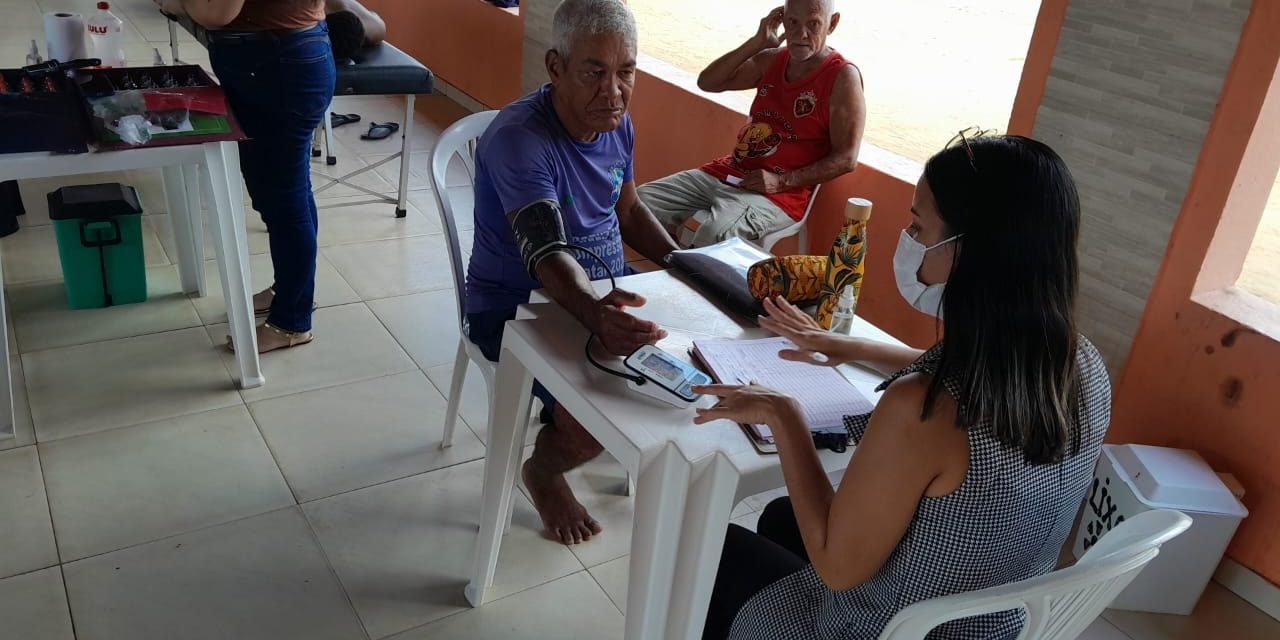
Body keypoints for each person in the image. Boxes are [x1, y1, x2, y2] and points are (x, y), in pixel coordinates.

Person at [694, 134, 1111, 639]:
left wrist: (785, 416)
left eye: (919, 226)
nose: (909, 238)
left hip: (893, 629)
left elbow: (837, 569)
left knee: (713, 554)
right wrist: (856, 347)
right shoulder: (1081, 364)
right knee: (783, 518)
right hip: (989, 619)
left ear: (969, 252)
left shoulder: (921, 408)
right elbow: (978, 380)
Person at [465, 0, 680, 545]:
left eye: (625, 72)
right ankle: (543, 467)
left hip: (607, 290)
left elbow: (627, 210)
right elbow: (546, 253)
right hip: (516, 306)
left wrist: (681, 263)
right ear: (556, 67)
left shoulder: (616, 124)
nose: (613, 92)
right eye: (594, 73)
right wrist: (594, 315)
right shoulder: (521, 139)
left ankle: (571, 428)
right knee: (606, 413)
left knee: (685, 377)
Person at [157, 0, 333, 353]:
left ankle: (291, 322)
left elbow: (216, 12)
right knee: (284, 194)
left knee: (285, 201)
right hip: (279, 58)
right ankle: (291, 293)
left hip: (278, 64)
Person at [637, 0, 865, 248]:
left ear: (832, 23)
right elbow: (709, 82)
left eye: (813, 24)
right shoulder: (773, 60)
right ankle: (671, 267)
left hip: (779, 195)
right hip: (729, 173)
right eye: (792, 22)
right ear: (781, 20)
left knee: (713, 234)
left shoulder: (842, 77)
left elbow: (846, 158)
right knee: (638, 204)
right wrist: (757, 42)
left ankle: (686, 277)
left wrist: (781, 181)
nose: (801, 34)